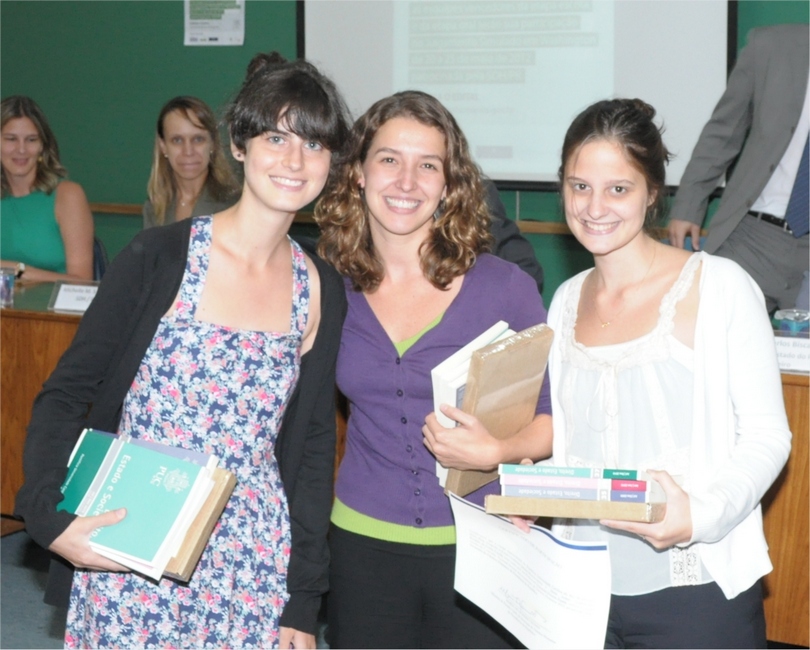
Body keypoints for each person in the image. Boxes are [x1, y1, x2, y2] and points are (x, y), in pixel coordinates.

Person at [14, 52, 351, 649]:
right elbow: (68, 393)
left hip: (251, 563)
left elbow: (311, 451)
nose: (296, 160)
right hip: (132, 545)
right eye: (277, 136)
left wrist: (303, 600)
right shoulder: (160, 257)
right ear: (240, 144)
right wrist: (49, 516)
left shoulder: (320, 288)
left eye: (315, 144)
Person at [545, 98, 791, 648]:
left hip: (695, 590)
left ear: (652, 192)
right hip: (581, 594)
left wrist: (699, 516)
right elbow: (574, 444)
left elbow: (768, 435)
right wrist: (535, 504)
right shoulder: (563, 301)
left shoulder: (720, 285)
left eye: (618, 188)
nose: (594, 207)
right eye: (579, 186)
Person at [315, 90, 553, 649]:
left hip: (484, 547)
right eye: (389, 159)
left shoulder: (504, 287)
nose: (407, 181)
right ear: (358, 174)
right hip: (361, 548)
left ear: (449, 185)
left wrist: (496, 453)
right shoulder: (327, 287)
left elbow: (555, 421)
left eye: (428, 165)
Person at [667, 24, 809, 313]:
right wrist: (688, 205)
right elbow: (723, 133)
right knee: (711, 343)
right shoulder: (771, 47)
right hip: (751, 238)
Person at [1, 95, 94, 282]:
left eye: (31, 140)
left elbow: (83, 281)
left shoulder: (68, 195)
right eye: (11, 139)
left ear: (42, 146)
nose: (21, 149)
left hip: (52, 311)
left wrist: (15, 270)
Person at [143, 95, 240, 229]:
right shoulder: (154, 208)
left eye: (198, 139)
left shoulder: (235, 204)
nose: (188, 151)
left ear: (212, 143)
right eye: (177, 140)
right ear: (163, 146)